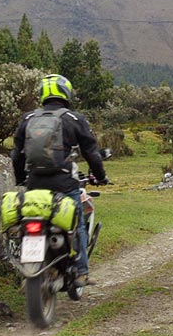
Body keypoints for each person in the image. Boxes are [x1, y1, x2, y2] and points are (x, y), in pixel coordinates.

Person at [11, 74, 108, 287]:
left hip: (34, 184)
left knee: (27, 218)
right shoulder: (74, 119)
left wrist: (21, 179)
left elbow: (16, 155)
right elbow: (91, 153)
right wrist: (101, 176)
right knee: (78, 222)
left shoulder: (28, 119)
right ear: (66, 92)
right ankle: (81, 271)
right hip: (65, 184)